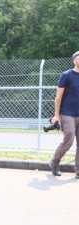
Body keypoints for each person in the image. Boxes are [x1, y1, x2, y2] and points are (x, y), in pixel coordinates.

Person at [49, 51, 79, 179]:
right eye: (78, 58)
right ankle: (54, 162)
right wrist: (56, 115)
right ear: (74, 61)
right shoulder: (67, 75)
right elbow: (58, 96)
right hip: (67, 114)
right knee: (69, 139)